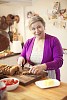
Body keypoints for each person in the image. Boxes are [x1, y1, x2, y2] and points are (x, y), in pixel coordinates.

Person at [18, 15, 63, 81]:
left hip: (50, 77)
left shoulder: (54, 40)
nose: (36, 31)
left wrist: (43, 66)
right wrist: (21, 58)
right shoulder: (28, 42)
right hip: (32, 77)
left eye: (39, 27)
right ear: (31, 30)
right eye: (33, 29)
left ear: (44, 27)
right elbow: (23, 55)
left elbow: (59, 61)